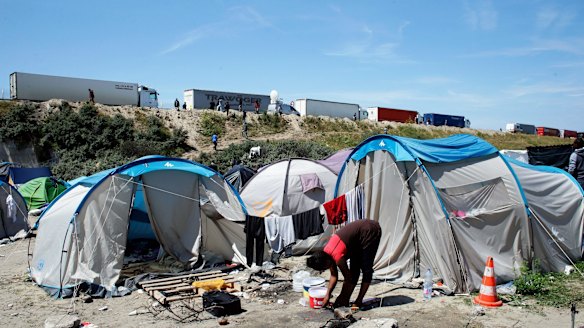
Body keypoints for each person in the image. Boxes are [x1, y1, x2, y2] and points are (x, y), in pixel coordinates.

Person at [306, 220, 382, 308]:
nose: (324, 270)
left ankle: (359, 301)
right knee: (355, 268)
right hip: (356, 241)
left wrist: (342, 297)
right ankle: (347, 299)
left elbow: (347, 278)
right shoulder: (326, 254)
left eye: (323, 268)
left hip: (370, 230)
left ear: (326, 262)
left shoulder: (337, 256)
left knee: (366, 269)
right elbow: (334, 276)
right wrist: (327, 295)